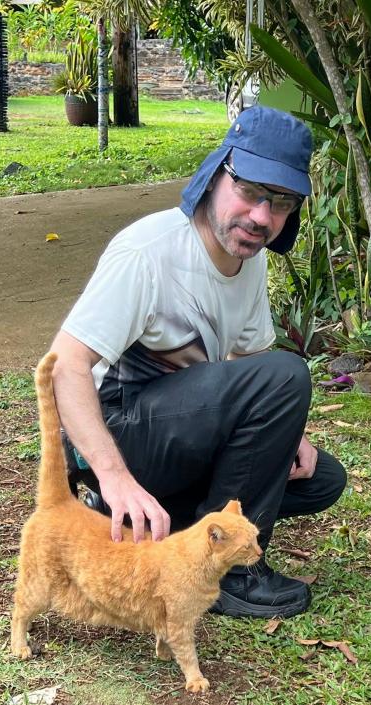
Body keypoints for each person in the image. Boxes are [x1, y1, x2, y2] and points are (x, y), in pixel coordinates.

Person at [48, 105, 347, 619]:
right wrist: (114, 476)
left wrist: (287, 435)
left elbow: (247, 357)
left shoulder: (246, 255)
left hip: (176, 430)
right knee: (286, 373)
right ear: (216, 175)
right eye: (251, 191)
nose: (261, 217)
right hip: (119, 431)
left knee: (319, 479)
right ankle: (227, 573)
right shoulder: (149, 252)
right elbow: (65, 367)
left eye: (281, 203)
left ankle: (147, 525)